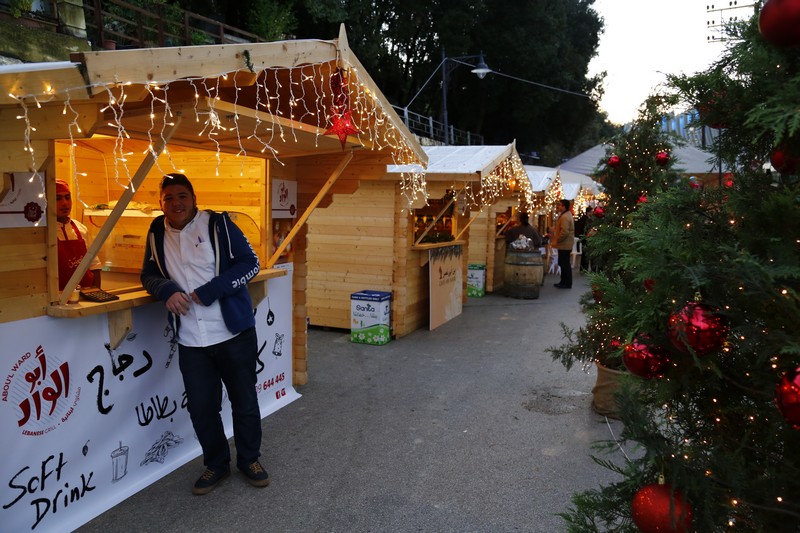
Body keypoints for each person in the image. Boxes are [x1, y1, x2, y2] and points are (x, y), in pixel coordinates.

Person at [141, 173, 267, 495]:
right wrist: (166, 289)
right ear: (161, 203)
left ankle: (250, 459)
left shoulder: (218, 224)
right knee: (201, 407)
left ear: (194, 198)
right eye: (168, 198)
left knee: (245, 402)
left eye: (182, 196)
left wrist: (213, 289)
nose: (176, 203)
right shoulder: (156, 231)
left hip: (232, 333)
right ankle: (216, 464)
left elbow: (250, 263)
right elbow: (149, 273)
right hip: (190, 340)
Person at [55, 179, 102, 291]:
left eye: (67, 197)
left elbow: (94, 265)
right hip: (59, 297)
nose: (64, 203)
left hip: (85, 293)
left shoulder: (81, 229)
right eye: (58, 198)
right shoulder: (43, 232)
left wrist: (96, 292)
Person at [552, 198, 575, 289]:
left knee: (564, 263)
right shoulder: (566, 215)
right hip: (565, 244)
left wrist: (558, 240)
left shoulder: (565, 217)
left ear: (564, 206)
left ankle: (566, 282)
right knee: (563, 263)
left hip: (564, 244)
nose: (558, 206)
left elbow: (564, 231)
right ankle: (564, 281)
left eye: (560, 205)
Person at [575, 206, 593, 271]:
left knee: (585, 253)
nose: (592, 213)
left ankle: (583, 267)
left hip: (585, 237)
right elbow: (584, 229)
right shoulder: (585, 219)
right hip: (585, 237)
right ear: (588, 212)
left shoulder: (585, 218)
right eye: (591, 212)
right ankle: (584, 267)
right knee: (585, 253)